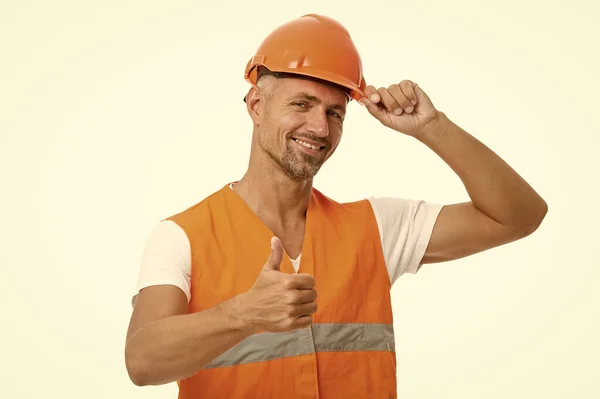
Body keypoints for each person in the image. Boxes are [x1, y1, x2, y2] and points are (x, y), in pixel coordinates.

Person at [124, 13, 547, 398]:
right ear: (256, 105)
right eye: (301, 104)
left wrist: (432, 127)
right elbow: (142, 363)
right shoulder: (182, 236)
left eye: (335, 113)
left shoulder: (377, 227)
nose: (319, 127)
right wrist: (243, 314)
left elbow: (519, 215)